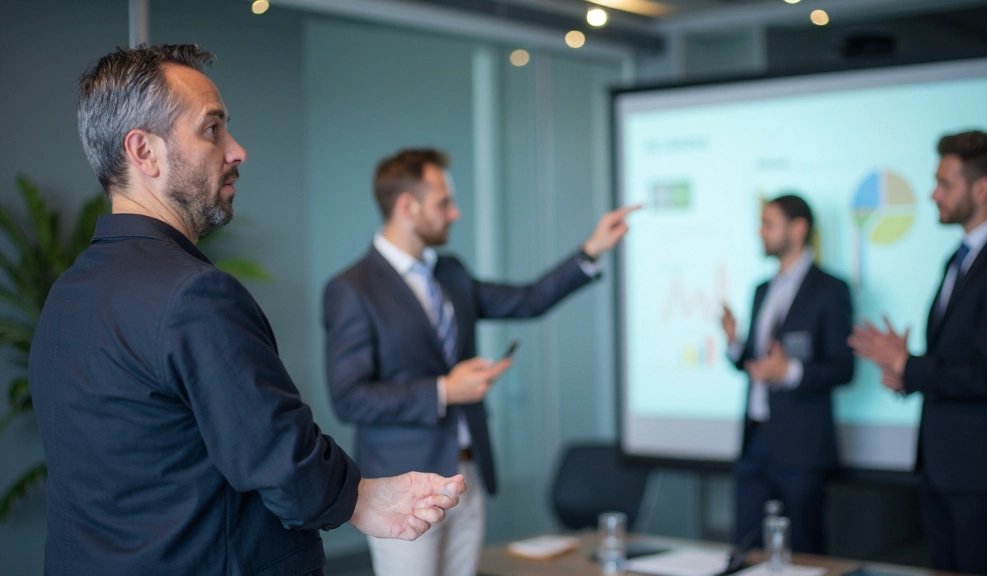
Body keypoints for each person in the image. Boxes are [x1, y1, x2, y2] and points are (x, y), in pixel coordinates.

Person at [28, 44, 466, 576]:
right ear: (145, 153)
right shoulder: (192, 296)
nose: (237, 150)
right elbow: (280, 457)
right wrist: (360, 498)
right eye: (212, 129)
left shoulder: (69, 292)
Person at [322, 148, 638, 576]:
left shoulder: (450, 273)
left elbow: (528, 300)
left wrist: (591, 250)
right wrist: (445, 390)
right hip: (403, 487)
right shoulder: (353, 288)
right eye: (443, 203)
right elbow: (349, 398)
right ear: (406, 206)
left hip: (465, 476)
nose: (456, 213)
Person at [850, 130, 987, 575]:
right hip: (942, 465)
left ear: (982, 189)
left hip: (979, 474)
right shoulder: (956, 259)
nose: (933, 193)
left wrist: (908, 364)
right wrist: (906, 375)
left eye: (945, 184)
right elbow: (954, 362)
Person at [720, 195, 853, 555]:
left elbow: (844, 368)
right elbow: (755, 363)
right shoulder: (761, 290)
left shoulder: (830, 289)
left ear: (798, 229)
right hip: (755, 440)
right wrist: (735, 343)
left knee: (805, 550)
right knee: (745, 547)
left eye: (768, 224)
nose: (760, 232)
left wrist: (791, 371)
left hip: (802, 448)